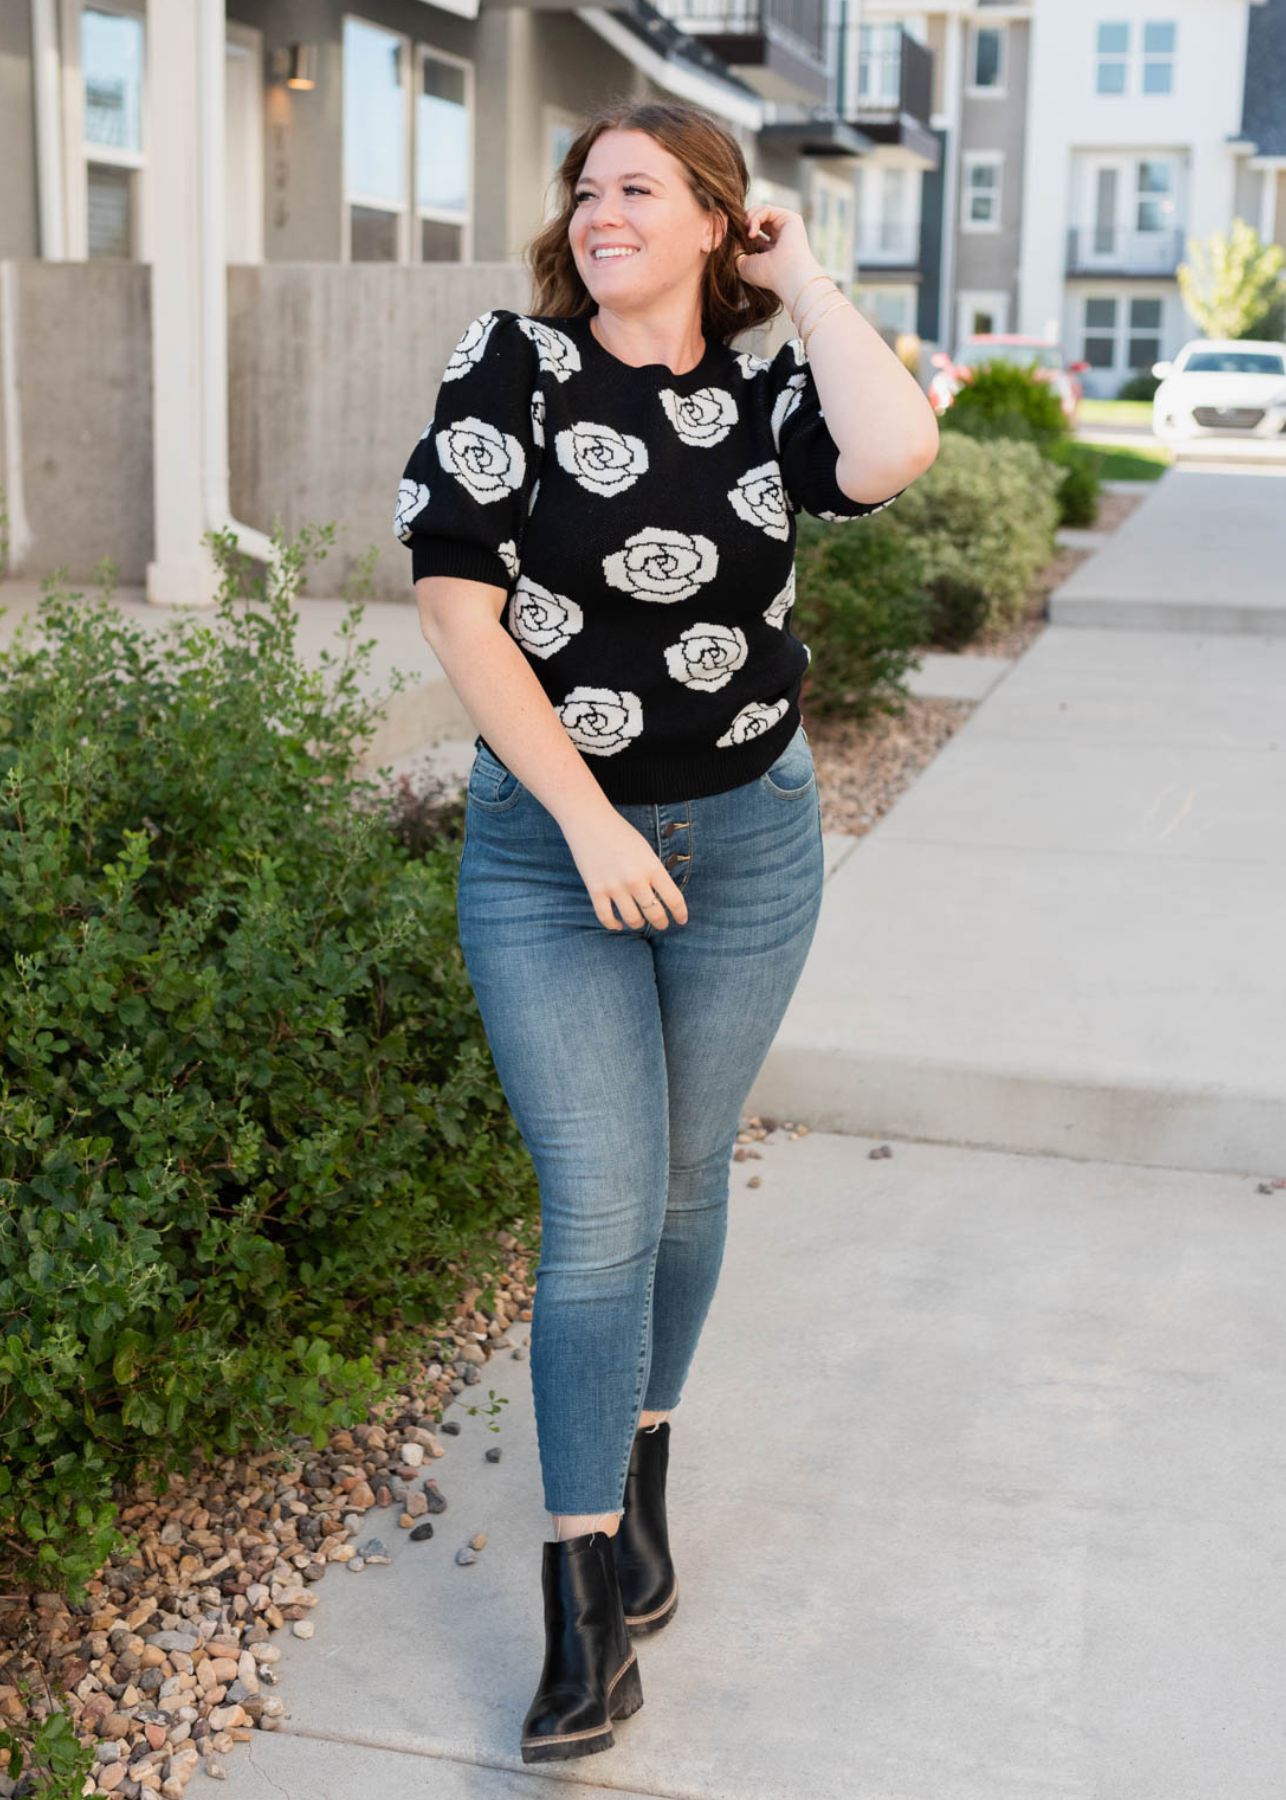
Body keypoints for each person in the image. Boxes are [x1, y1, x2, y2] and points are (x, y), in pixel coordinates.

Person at [394, 98, 938, 1765]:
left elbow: (893, 453)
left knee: (688, 1181)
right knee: (600, 1205)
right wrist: (583, 817)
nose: (598, 210)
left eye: (639, 187)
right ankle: (580, 1625)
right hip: (555, 854)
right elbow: (454, 599)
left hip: (750, 846)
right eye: (584, 189)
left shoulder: (769, 400)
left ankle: (642, 1465)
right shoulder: (515, 368)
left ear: (716, 216)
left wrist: (805, 272)